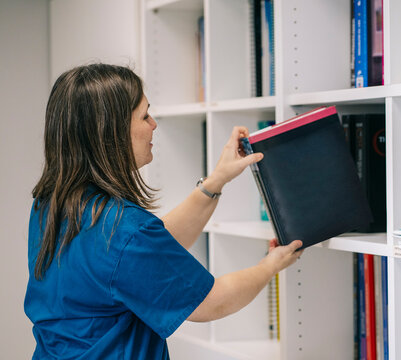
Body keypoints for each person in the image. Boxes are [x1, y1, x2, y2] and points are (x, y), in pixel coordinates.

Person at [24, 63, 303, 359]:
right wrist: (270, 265)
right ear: (110, 133)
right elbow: (210, 301)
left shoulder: (51, 205)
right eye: (144, 116)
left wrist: (217, 180)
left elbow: (148, 256)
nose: (154, 124)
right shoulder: (125, 230)